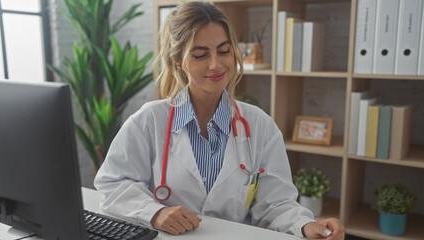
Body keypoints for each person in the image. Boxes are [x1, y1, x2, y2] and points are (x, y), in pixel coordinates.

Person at [94, 2, 345, 239]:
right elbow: (112, 183)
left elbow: (276, 204)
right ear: (179, 62)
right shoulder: (148, 121)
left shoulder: (259, 125)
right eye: (201, 55)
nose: (216, 65)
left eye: (224, 51)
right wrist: (154, 212)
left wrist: (305, 225)